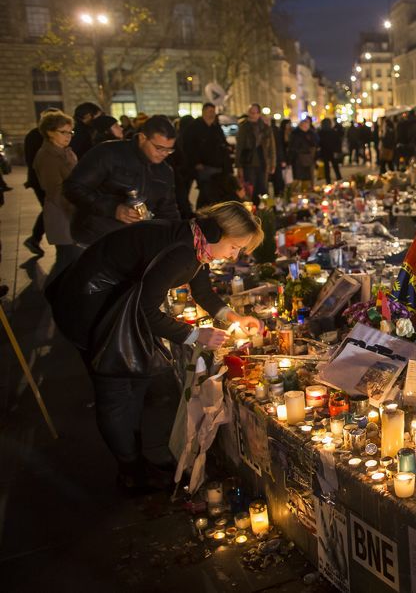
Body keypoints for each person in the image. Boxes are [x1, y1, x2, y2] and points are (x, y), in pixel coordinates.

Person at [47, 201, 263, 492]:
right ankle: (130, 475)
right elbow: (144, 311)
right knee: (115, 389)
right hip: (90, 309)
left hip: (113, 303)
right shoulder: (181, 252)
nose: (234, 255)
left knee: (135, 379)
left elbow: (201, 291)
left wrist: (234, 317)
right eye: (234, 247)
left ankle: (137, 462)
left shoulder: (195, 241)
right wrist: (194, 335)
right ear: (216, 231)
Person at [64, 114, 181, 246]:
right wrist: (114, 209)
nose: (164, 154)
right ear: (143, 138)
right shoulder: (108, 153)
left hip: (134, 242)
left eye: (169, 150)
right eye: (159, 148)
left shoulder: (164, 171)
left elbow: (168, 210)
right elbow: (73, 187)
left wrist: (175, 238)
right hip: (96, 238)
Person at [32, 110, 82, 279]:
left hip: (71, 209)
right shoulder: (47, 156)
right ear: (50, 132)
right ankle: (51, 289)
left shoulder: (67, 152)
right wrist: (76, 213)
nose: (68, 136)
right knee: (67, 257)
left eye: (70, 132)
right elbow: (55, 190)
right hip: (62, 212)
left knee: (71, 257)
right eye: (63, 132)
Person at [22, 107, 63, 256]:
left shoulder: (35, 134)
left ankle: (37, 238)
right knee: (50, 209)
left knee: (50, 208)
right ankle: (37, 238)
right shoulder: (38, 136)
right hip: (43, 180)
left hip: (40, 179)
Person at [235, 103, 275, 202]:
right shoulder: (244, 127)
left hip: (263, 162)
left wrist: (273, 163)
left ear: (259, 114)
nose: (252, 115)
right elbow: (239, 147)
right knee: (250, 188)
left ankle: (267, 208)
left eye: (255, 112)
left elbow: (271, 148)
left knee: (264, 188)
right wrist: (239, 166)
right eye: (251, 112)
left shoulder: (265, 128)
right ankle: (251, 208)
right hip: (249, 162)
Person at [288, 116, 318, 191]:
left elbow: (315, 143)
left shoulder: (310, 133)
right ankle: (291, 192)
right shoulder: (295, 134)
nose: (306, 127)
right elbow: (293, 147)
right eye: (304, 125)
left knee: (307, 178)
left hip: (308, 159)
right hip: (298, 159)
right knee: (297, 178)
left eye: (307, 125)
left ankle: (305, 191)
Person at [272, 118, 290, 196]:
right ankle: (280, 193)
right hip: (280, 158)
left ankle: (284, 192)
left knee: (284, 177)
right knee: (279, 177)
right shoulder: (280, 132)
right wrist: (282, 159)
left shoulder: (289, 132)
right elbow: (280, 147)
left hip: (285, 157)